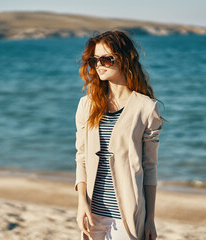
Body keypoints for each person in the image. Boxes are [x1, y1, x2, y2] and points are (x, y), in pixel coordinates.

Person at [74, 30, 164, 240]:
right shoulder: (86, 105)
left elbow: (150, 167)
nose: (99, 65)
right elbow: (81, 158)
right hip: (92, 214)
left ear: (124, 59)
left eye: (107, 59)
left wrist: (150, 218)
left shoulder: (146, 108)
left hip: (128, 216)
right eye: (95, 60)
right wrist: (81, 204)